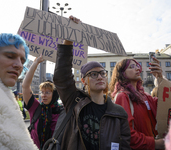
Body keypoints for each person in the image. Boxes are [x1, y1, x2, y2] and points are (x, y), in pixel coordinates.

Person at [52, 16, 131, 150]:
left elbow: (125, 146)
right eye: (93, 74)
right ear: (84, 81)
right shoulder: (75, 101)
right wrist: (69, 39)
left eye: (102, 73)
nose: (100, 77)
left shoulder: (119, 112)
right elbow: (62, 75)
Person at [109, 57, 165, 149]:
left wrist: (160, 78)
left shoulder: (145, 96)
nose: (138, 68)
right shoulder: (122, 96)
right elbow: (127, 133)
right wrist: (155, 143)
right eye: (131, 66)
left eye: (137, 65)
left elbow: (165, 107)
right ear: (122, 73)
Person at [22, 55, 63, 149]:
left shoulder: (62, 112)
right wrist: (35, 64)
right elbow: (25, 86)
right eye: (42, 92)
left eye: (47, 92)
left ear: (55, 95)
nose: (43, 95)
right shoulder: (36, 108)